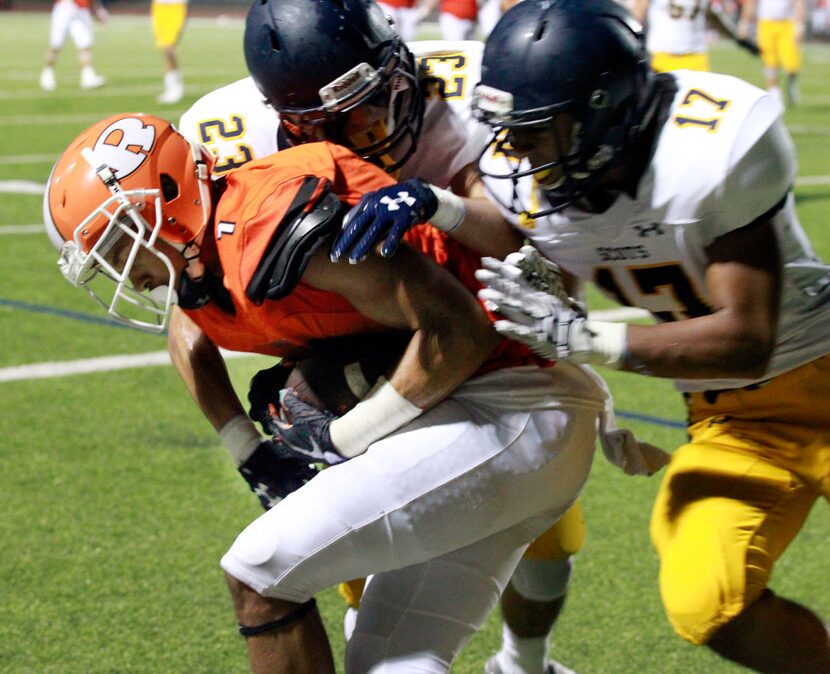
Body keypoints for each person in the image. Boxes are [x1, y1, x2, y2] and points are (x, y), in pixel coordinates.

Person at [42, 111, 614, 673]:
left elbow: (459, 330)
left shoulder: (270, 225)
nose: (120, 270)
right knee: (389, 664)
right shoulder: (202, 259)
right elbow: (190, 329)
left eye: (120, 244)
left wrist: (344, 436)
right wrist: (250, 451)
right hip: (494, 420)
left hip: (515, 403)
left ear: (167, 199)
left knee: (258, 571)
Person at [177, 2, 618, 671]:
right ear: (285, 121)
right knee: (365, 578)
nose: (367, 129)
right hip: (363, 343)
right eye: (327, 124)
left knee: (548, 540)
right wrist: (249, 445)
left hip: (493, 341)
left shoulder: (463, 95)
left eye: (372, 101)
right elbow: (189, 306)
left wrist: (437, 201)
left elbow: (539, 267)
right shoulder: (233, 138)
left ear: (395, 68)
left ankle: (526, 660)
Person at [460, 0, 830, 671]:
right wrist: (585, 390)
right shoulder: (535, 180)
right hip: (734, 421)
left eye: (536, 130)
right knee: (704, 598)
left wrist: (588, 341)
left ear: (603, 113)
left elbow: (749, 338)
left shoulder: (709, 143)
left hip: (818, 366)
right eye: (510, 129)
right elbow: (552, 317)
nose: (514, 150)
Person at [630, 0, 761, 74]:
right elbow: (636, 17)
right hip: (661, 58)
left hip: (696, 58)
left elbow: (714, 17)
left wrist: (738, 38)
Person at [738, 0, 806, 105]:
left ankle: (791, 83)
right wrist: (744, 24)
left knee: (792, 64)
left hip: (786, 24)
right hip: (766, 25)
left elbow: (798, 3)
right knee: (770, 63)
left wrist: (800, 26)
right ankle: (775, 97)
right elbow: (751, 2)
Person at [39, 0, 107, 92]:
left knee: (85, 45)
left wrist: (98, 9)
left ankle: (87, 77)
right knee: (56, 45)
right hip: (65, 7)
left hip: (81, 9)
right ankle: (47, 74)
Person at [152, 0, 188, 104]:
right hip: (159, 6)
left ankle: (176, 86)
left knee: (169, 47)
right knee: (164, 48)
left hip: (176, 6)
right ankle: (171, 87)